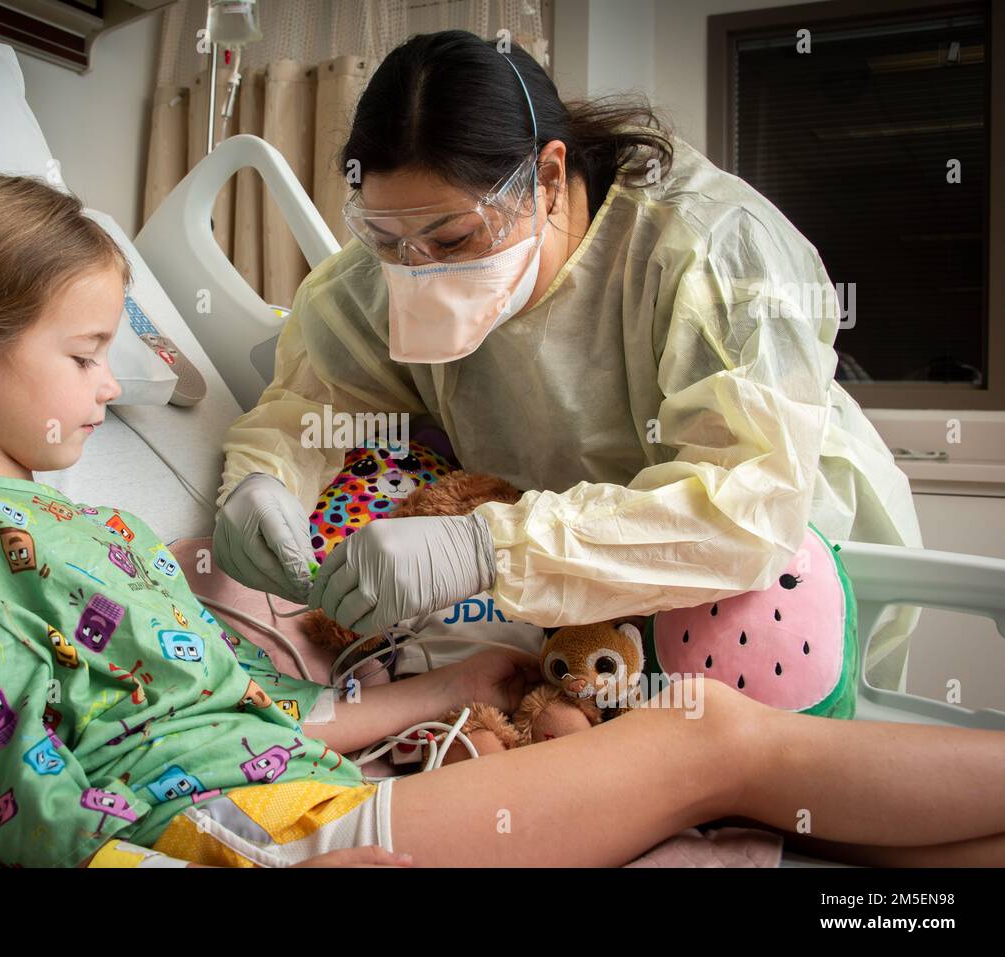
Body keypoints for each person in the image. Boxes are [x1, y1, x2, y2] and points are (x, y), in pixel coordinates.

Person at [0, 171, 1005, 869]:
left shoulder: (96, 532)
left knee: (768, 783)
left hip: (291, 800)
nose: (113, 386)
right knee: (704, 732)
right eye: (90, 355)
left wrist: (449, 688)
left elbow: (267, 719)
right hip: (238, 845)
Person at [212, 30, 923, 693]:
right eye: (388, 239)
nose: (415, 269)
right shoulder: (380, 273)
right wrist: (262, 478)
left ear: (548, 177)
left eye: (454, 238)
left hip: (777, 565)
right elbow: (313, 403)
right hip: (573, 604)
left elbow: (743, 510)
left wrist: (488, 550)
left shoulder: (708, 252)